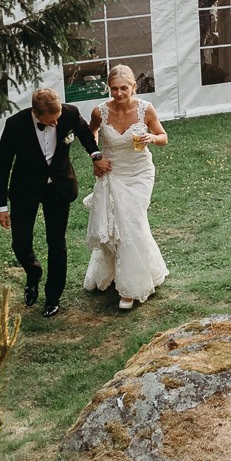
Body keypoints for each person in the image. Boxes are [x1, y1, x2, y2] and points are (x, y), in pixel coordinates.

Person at [0, 88, 110, 317]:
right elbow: (2, 165)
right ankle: (33, 271)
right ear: (36, 114)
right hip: (25, 190)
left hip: (58, 188)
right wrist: (1, 206)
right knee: (20, 244)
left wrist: (95, 154)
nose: (56, 124)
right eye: (50, 120)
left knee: (56, 243)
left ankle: (53, 296)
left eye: (58, 119)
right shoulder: (15, 124)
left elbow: (85, 133)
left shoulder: (68, 113)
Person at [83, 63, 170, 311]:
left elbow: (163, 136)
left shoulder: (146, 110)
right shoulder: (100, 112)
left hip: (140, 173)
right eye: (114, 89)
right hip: (112, 172)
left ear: (133, 86)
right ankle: (112, 272)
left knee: (133, 221)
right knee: (113, 224)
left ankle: (132, 287)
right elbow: (90, 135)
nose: (119, 93)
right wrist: (96, 157)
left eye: (124, 88)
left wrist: (151, 138)